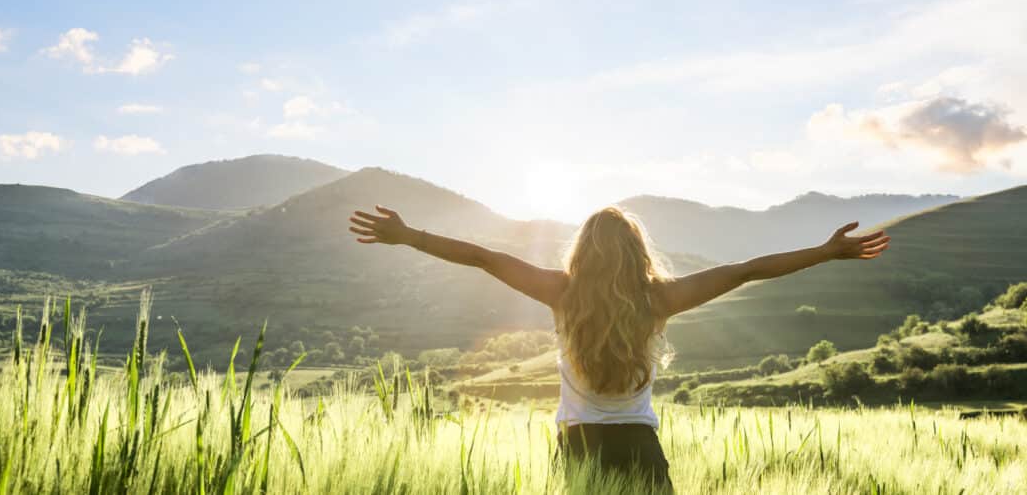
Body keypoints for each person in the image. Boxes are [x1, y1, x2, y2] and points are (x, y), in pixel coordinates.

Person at [348, 204, 890, 492]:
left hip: (579, 448)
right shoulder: (661, 299)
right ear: (638, 253)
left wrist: (410, 235)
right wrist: (824, 252)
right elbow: (747, 270)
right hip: (641, 449)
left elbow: (485, 257)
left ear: (583, 252)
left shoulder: (559, 292)